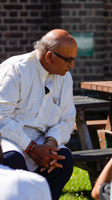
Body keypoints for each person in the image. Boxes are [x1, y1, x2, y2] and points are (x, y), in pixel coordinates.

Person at [0, 29, 77, 200]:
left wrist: (51, 142)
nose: (72, 65)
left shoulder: (65, 77)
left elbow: (67, 119)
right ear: (50, 57)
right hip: (9, 140)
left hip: (42, 139)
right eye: (69, 60)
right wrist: (31, 148)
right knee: (11, 160)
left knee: (63, 159)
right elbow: (1, 117)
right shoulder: (16, 70)